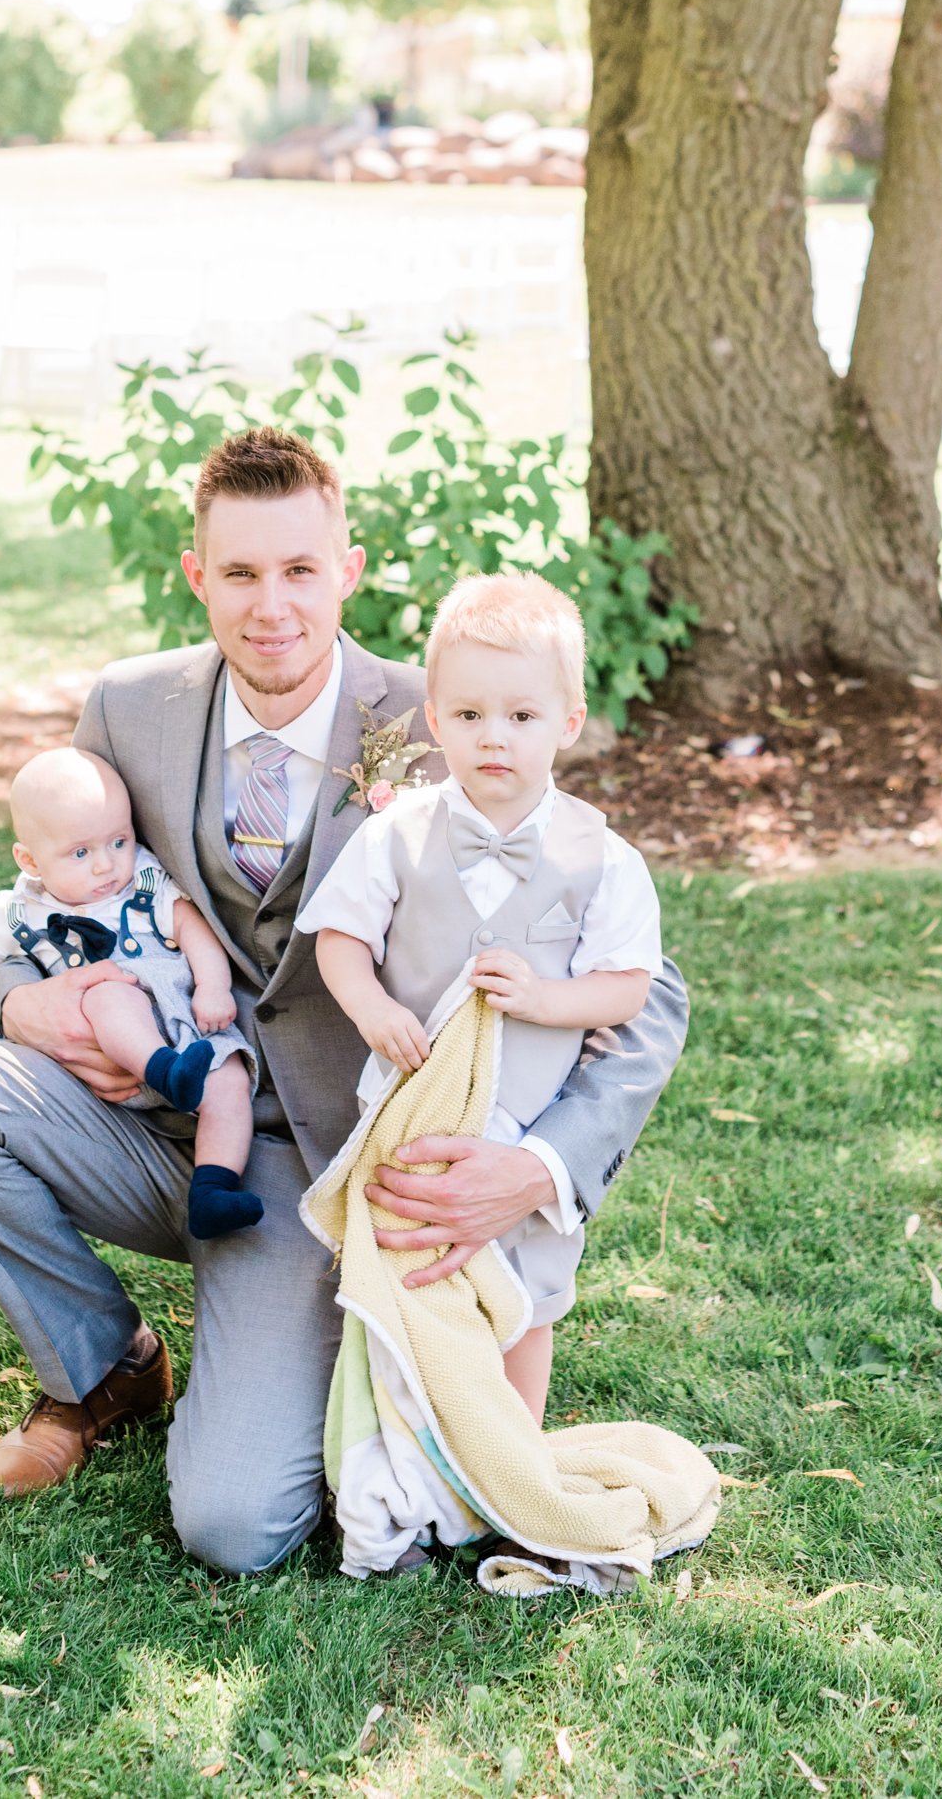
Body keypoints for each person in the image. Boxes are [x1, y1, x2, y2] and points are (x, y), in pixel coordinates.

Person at [0, 426, 689, 1574]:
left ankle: (270, 1327)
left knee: (234, 1526)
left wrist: (541, 1171)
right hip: (154, 1118)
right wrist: (16, 1007)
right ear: (196, 574)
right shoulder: (129, 709)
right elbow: (64, 886)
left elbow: (644, 989)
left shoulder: (450, 713)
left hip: (333, 1165)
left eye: (299, 570)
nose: (271, 606)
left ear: (346, 567)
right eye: (239, 573)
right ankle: (102, 1369)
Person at [299, 571, 663, 1428]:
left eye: (522, 716)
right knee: (409, 1278)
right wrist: (370, 1008)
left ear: (568, 722)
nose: (493, 737)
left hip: (526, 1124)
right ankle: (410, 1452)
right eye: (468, 716)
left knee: (524, 1299)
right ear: (435, 720)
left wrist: (544, 996)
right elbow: (341, 937)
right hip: (413, 1117)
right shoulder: (399, 832)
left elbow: (628, 986)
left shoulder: (603, 858)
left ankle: (510, 1455)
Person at [0, 747, 262, 1240]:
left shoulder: (145, 882)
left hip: (188, 1031)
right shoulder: (16, 912)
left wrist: (212, 986)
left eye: (118, 841)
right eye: (81, 853)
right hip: (110, 1059)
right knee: (107, 992)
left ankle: (213, 1190)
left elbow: (191, 928)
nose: (106, 865)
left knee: (227, 1083)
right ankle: (162, 1069)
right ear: (29, 860)